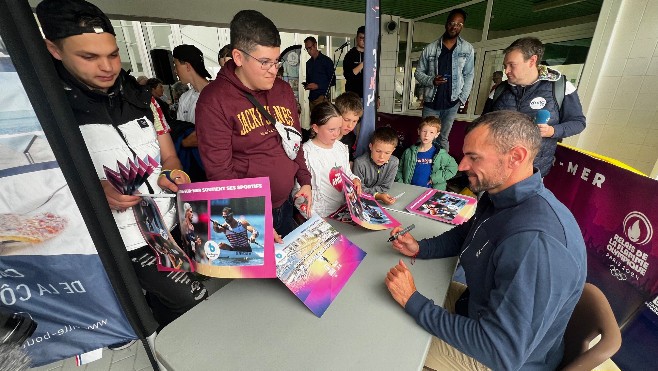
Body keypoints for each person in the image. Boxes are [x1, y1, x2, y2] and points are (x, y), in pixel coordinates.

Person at [35, 0, 206, 333]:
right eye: (89, 57)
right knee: (191, 298)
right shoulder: (46, 107)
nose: (107, 67)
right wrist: (95, 188)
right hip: (121, 239)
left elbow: (169, 158)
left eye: (113, 54)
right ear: (53, 49)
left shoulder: (142, 98)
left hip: (171, 224)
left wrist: (174, 174)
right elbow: (36, 183)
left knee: (180, 301)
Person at [385, 110, 587, 370]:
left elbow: (498, 350)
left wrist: (413, 300)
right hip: (477, 308)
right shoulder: (500, 194)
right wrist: (421, 248)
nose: (461, 166)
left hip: (497, 357)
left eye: (473, 157)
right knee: (390, 302)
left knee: (398, 340)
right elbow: (468, 233)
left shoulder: (536, 243)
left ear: (516, 157)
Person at [195, 10, 312, 242]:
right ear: (238, 57)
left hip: (286, 204)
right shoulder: (214, 99)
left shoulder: (283, 90)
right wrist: (252, 221)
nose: (274, 70)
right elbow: (220, 173)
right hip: (248, 216)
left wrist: (305, 181)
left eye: (276, 61)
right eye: (265, 62)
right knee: (257, 279)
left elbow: (294, 140)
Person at [483, 37, 586, 177]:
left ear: (532, 61)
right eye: (505, 65)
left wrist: (552, 131)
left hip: (533, 171)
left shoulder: (561, 87)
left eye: (512, 65)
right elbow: (483, 124)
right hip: (495, 168)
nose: (506, 71)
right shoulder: (499, 91)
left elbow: (578, 122)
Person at [414, 8, 474, 153]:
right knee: (425, 138)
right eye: (452, 22)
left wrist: (462, 98)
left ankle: (439, 172)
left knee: (443, 138)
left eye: (459, 24)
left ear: (462, 27)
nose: (455, 26)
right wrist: (431, 81)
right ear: (446, 24)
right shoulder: (430, 49)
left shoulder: (467, 49)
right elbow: (418, 73)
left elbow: (469, 75)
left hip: (452, 103)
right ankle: (418, 169)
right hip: (431, 102)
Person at [297, 102, 361, 217]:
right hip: (320, 215)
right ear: (315, 127)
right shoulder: (305, 153)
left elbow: (347, 173)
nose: (336, 134)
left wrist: (355, 180)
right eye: (331, 130)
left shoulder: (340, 148)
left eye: (338, 129)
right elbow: (299, 194)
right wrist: (315, 219)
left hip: (342, 211)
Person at [172, 44, 211, 182]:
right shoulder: (185, 98)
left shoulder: (217, 95)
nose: (175, 71)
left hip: (213, 168)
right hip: (193, 169)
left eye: (176, 65)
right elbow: (180, 130)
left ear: (187, 66)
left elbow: (208, 138)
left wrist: (181, 143)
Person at [396, 116, 458, 190]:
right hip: (410, 190)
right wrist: (401, 184)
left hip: (432, 192)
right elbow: (399, 170)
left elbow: (453, 168)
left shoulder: (441, 154)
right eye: (424, 131)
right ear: (418, 131)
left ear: (436, 135)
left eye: (431, 132)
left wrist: (435, 178)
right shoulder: (408, 152)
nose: (427, 135)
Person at [353, 127, 399, 205]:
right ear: (371, 147)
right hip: (360, 201)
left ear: (393, 151)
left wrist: (369, 191)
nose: (381, 157)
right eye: (378, 151)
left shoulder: (394, 162)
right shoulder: (360, 163)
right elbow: (358, 189)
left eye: (387, 153)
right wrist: (377, 195)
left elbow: (386, 187)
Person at [304, 36, 336, 112]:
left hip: (322, 97)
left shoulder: (326, 61)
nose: (308, 51)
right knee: (313, 122)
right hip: (312, 98)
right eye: (306, 49)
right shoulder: (308, 63)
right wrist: (307, 85)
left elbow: (333, 81)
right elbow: (309, 80)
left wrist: (318, 86)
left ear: (315, 45)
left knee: (322, 121)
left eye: (310, 48)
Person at [334, 91, 362, 163]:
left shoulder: (351, 137)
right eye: (346, 120)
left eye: (354, 121)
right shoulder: (322, 134)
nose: (350, 125)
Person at [342, 26, 365, 97]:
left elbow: (375, 77)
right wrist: (363, 64)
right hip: (353, 95)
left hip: (368, 94)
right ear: (357, 38)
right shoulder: (350, 55)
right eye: (361, 38)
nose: (364, 40)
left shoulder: (371, 54)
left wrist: (377, 96)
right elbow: (348, 76)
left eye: (366, 38)